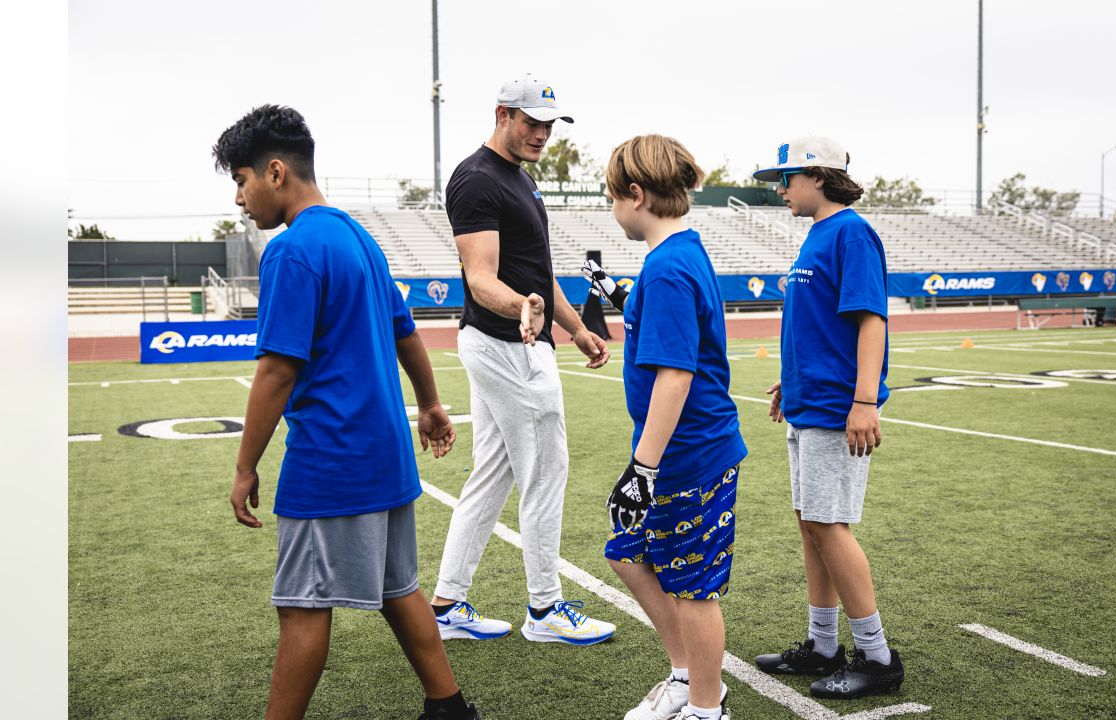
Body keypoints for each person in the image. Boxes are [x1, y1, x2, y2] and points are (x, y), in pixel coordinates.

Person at [216, 105, 481, 720]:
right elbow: (405, 331)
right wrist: (430, 404)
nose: (239, 198)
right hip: (385, 455)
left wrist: (244, 465)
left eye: (240, 179)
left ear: (275, 172)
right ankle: (449, 707)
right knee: (398, 589)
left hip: (332, 460)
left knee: (303, 606)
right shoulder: (358, 235)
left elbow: (278, 371)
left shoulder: (292, 251)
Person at [430, 74, 617, 645]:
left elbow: (538, 273)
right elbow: (481, 277)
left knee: (495, 473)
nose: (542, 133)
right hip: (507, 346)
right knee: (545, 469)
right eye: (532, 122)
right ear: (502, 114)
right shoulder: (476, 179)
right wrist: (522, 307)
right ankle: (545, 609)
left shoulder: (519, 178)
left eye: (548, 124)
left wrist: (578, 328)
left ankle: (446, 604)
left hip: (517, 342)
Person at [749, 137, 905, 699]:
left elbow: (870, 320)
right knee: (810, 522)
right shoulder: (818, 234)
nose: (780, 188)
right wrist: (790, 383)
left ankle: (878, 657)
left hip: (839, 407)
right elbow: (817, 327)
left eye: (786, 177)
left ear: (818, 176)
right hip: (809, 401)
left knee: (828, 524)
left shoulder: (852, 232)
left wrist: (865, 402)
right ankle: (822, 645)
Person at [601, 135, 747, 720]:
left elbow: (674, 378)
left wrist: (643, 468)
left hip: (690, 455)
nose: (611, 208)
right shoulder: (677, 255)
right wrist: (614, 291)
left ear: (636, 195)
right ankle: (686, 676)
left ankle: (707, 709)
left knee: (692, 589)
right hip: (678, 453)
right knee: (626, 551)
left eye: (612, 196)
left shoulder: (667, 267)